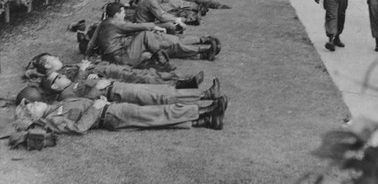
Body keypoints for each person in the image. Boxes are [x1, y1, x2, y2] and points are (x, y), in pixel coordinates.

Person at [10, 93, 228, 145]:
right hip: (110, 115)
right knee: (157, 113)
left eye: (33, 102)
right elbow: (79, 127)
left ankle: (206, 120)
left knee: (154, 117)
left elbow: (82, 102)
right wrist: (96, 107)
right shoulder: (53, 120)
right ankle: (205, 111)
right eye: (32, 106)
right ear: (35, 115)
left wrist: (97, 97)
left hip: (111, 109)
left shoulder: (57, 106)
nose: (36, 102)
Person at [85, 3, 218, 66]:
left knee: (167, 42)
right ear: (116, 14)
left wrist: (86, 56)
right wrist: (155, 27)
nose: (125, 14)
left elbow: (91, 43)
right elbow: (137, 27)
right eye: (123, 12)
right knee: (160, 41)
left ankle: (202, 48)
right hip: (121, 56)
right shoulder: (115, 23)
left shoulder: (104, 23)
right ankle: (202, 49)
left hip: (123, 53)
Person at [40, 69, 221, 107]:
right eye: (58, 77)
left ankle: (202, 94)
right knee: (159, 97)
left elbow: (81, 86)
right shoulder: (64, 97)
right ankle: (205, 96)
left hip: (117, 87)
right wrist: (98, 87)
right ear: (55, 85)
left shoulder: (71, 85)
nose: (62, 75)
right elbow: (84, 104)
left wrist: (91, 78)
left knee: (161, 91)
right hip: (114, 93)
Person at [25, 53, 204, 89]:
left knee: (144, 73)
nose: (58, 57)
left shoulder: (62, 68)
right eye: (53, 59)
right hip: (102, 77)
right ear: (48, 66)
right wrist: (82, 70)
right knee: (139, 78)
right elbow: (71, 89)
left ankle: (183, 79)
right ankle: (181, 83)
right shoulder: (53, 78)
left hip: (103, 69)